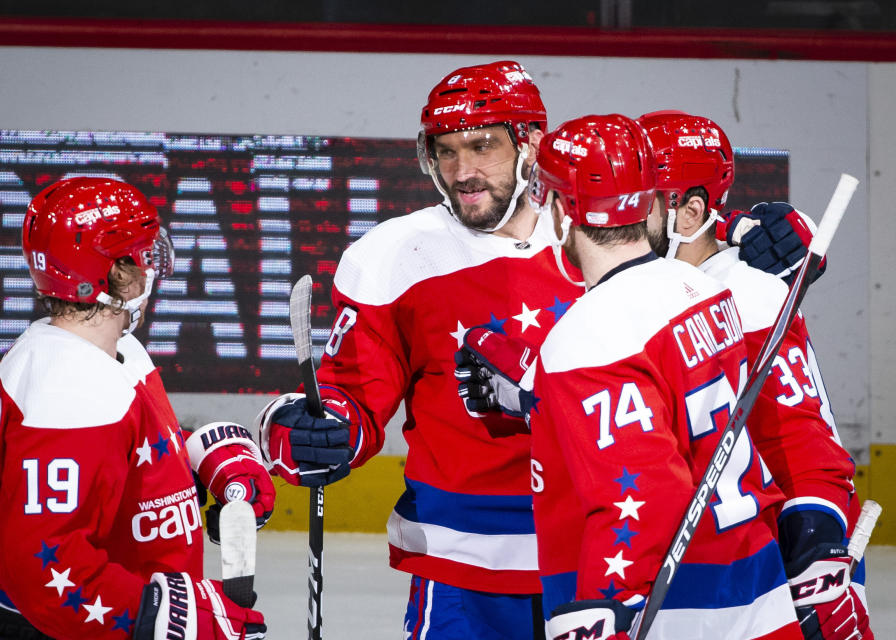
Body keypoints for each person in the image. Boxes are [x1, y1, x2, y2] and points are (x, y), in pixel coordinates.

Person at [254, 61, 817, 640]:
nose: (462, 171)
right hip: (461, 568)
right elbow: (350, 394)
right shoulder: (392, 256)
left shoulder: (598, 231)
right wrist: (313, 430)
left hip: (605, 557)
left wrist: (775, 237)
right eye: (445, 151)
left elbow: (706, 248)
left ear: (531, 146)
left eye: (482, 146)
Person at [0, 177, 275, 640]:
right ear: (113, 271)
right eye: (141, 253)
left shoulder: (102, 352)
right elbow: (47, 565)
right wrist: (161, 617)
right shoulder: (67, 390)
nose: (151, 266)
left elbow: (111, 468)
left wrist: (198, 457)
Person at [517, 113, 804, 639]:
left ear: (564, 213)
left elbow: (644, 494)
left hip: (674, 614)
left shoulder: (587, 337)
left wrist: (605, 606)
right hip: (757, 591)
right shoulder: (704, 291)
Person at [639, 110, 873, 640]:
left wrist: (816, 552)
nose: (617, 213)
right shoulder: (639, 286)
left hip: (773, 577)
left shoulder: (747, 294)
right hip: (691, 572)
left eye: (640, 197)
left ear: (690, 209)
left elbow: (802, 443)